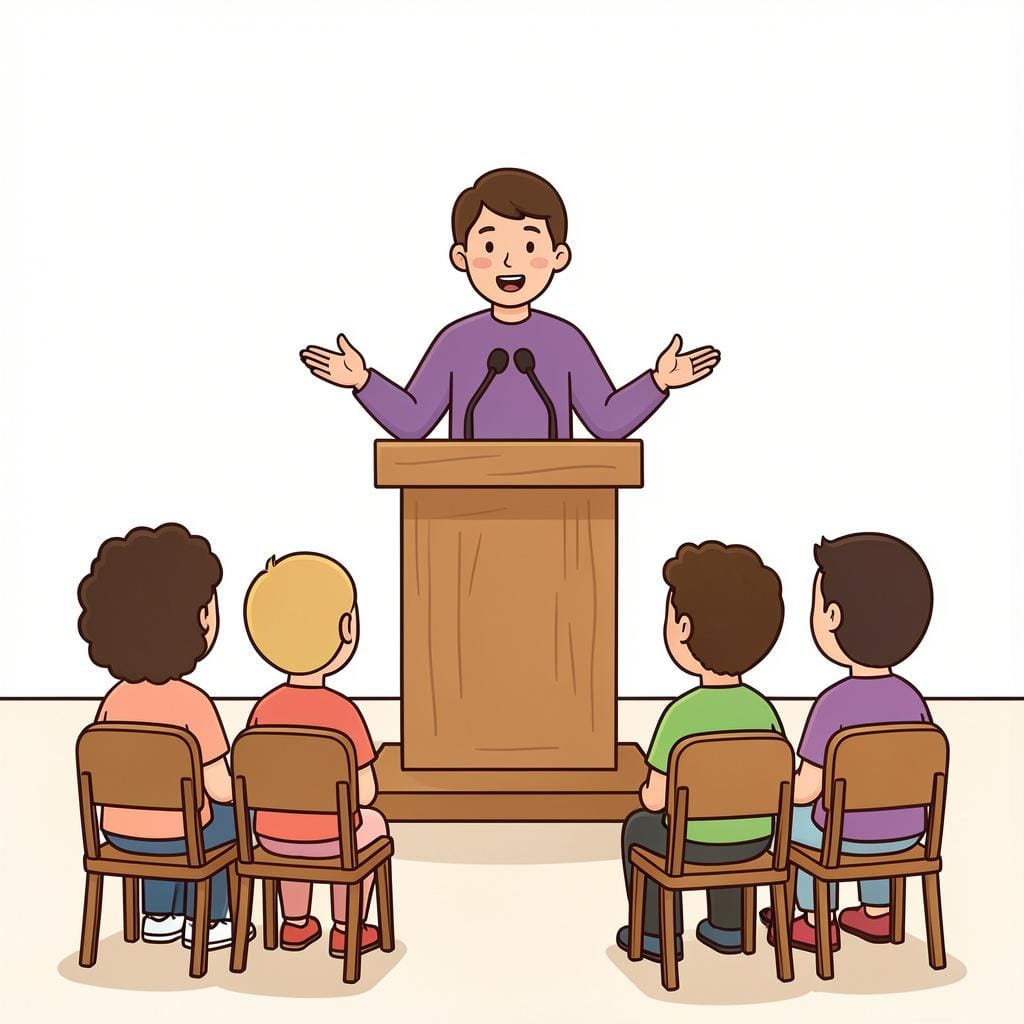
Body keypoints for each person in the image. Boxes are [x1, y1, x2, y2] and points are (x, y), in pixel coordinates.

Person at [299, 167, 721, 439]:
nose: (508, 261)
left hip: (561, 507)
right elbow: (413, 424)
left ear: (559, 256)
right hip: (461, 510)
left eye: (528, 244)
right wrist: (362, 380)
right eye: (489, 244)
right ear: (460, 258)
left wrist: (658, 381)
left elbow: (606, 424)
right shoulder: (457, 341)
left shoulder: (563, 340)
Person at [79, 523, 249, 952]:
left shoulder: (113, 701)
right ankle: (208, 920)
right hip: (182, 836)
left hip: (117, 832)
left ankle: (158, 914)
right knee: (232, 819)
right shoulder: (193, 704)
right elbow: (220, 788)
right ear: (196, 619)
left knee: (167, 812)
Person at [763, 532, 934, 953]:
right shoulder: (913, 701)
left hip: (844, 838)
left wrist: (775, 784)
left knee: (794, 823)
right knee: (873, 808)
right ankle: (878, 913)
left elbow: (807, 788)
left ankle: (811, 916)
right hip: (908, 833)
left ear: (833, 616)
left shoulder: (834, 705)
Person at [617, 541, 786, 960]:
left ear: (685, 629)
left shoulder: (681, 716)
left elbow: (656, 798)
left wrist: (645, 795)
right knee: (729, 820)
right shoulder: (763, 711)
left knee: (641, 827)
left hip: (689, 843)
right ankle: (729, 927)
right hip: (756, 840)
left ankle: (656, 934)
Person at [244, 552, 387, 959]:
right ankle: (346, 928)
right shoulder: (343, 713)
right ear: (346, 628)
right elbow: (364, 794)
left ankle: (295, 923)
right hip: (332, 840)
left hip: (270, 836)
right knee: (370, 824)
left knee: (293, 828)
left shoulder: (263, 711)